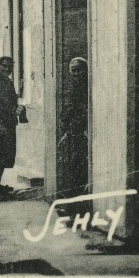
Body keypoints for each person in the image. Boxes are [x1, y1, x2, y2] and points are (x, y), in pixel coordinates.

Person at [0, 56, 25, 196]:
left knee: (3, 156)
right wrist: (0, 124)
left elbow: (8, 103)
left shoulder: (8, 82)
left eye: (9, 67)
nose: (6, 69)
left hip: (7, 123)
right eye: (3, 66)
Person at [57, 57, 89, 198]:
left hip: (82, 133)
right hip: (73, 133)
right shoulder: (74, 87)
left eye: (79, 70)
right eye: (73, 70)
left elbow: (81, 113)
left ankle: (77, 203)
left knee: (80, 168)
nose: (76, 74)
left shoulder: (86, 87)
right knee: (71, 168)